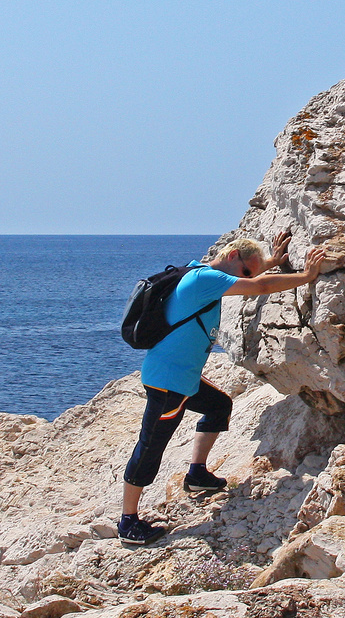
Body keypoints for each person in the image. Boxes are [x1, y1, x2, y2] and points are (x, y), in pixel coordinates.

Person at [118, 230, 326, 545]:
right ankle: (128, 521)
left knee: (218, 405)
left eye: (249, 273)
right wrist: (307, 275)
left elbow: (252, 276)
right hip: (168, 383)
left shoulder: (202, 274)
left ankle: (197, 474)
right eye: (245, 271)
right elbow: (261, 286)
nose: (246, 278)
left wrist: (267, 261)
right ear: (231, 256)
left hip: (182, 377)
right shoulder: (204, 281)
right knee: (150, 447)